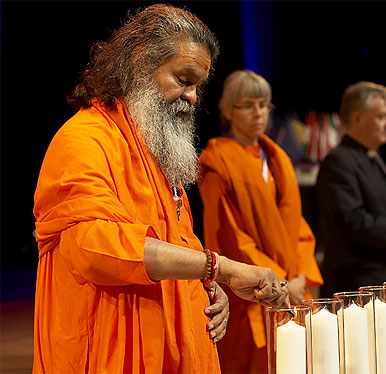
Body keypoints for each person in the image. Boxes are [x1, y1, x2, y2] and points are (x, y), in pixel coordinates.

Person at [32, 6, 289, 374]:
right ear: (138, 66)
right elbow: (95, 246)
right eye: (184, 80)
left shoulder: (157, 156)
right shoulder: (82, 139)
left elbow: (180, 251)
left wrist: (207, 286)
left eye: (198, 86)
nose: (193, 98)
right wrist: (220, 268)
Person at [198, 70, 323, 373]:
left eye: (265, 105)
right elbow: (230, 236)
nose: (259, 113)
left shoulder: (277, 157)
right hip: (251, 293)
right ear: (228, 110)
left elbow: (298, 227)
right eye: (249, 105)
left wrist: (300, 277)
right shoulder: (217, 162)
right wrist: (277, 281)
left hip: (291, 287)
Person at [316, 81, 386, 297]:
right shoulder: (339, 161)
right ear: (357, 118)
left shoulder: (372, 158)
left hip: (383, 278)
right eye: (381, 117)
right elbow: (350, 218)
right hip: (355, 286)